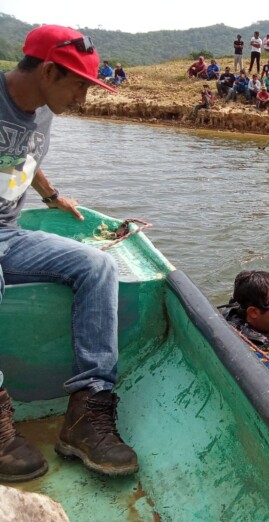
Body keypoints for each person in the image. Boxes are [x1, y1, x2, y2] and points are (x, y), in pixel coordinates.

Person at [0, 24, 138, 482]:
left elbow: (22, 157)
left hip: (7, 232)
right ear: (47, 70)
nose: (84, 97)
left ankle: (86, 416)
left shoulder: (43, 110)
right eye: (79, 83)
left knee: (97, 266)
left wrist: (51, 194)